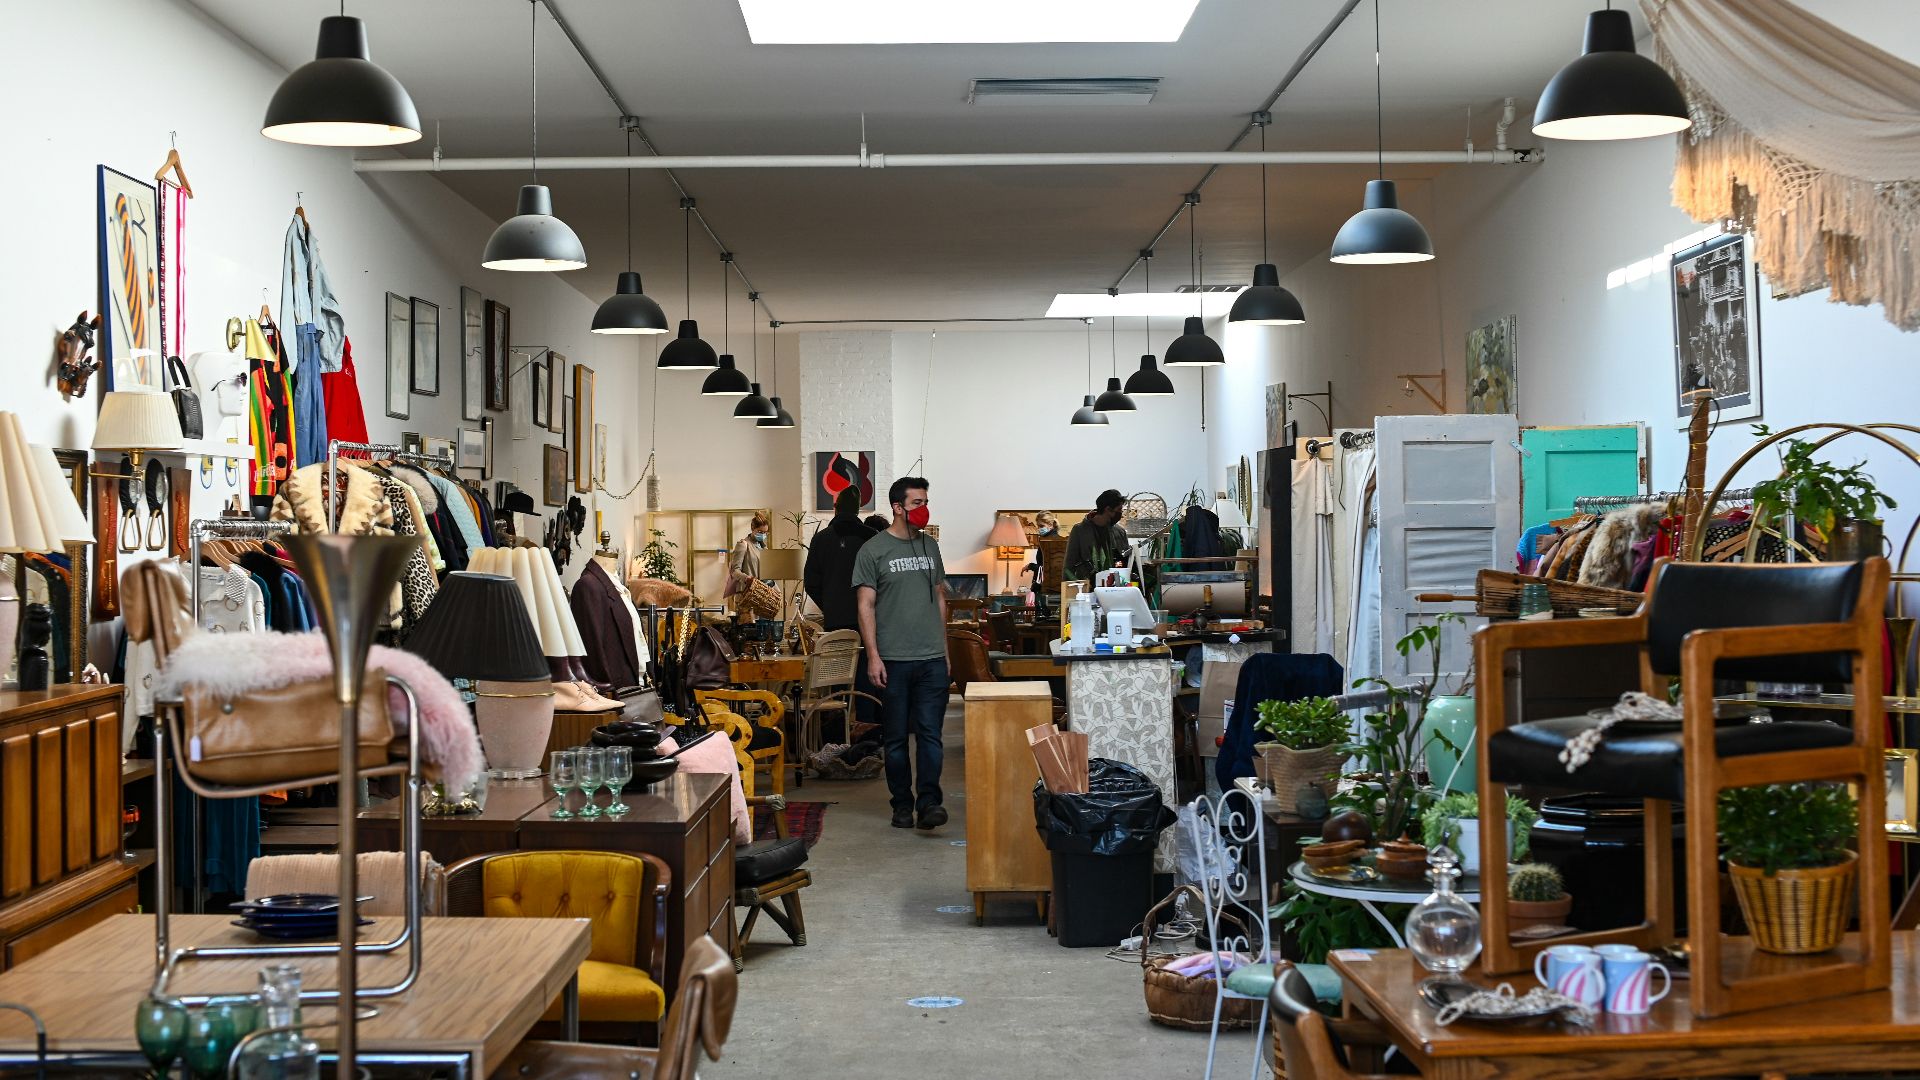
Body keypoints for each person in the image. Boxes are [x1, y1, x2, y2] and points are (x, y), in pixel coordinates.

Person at [853, 476, 951, 830]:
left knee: (930, 735)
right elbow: (865, 605)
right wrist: (873, 656)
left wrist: (945, 650)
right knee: (895, 739)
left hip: (931, 659)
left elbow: (939, 598)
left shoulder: (930, 547)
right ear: (897, 507)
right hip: (892, 660)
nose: (924, 510)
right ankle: (901, 804)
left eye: (926, 502)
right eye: (917, 503)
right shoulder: (873, 550)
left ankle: (929, 803)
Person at [805, 488, 881, 736]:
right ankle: (867, 731)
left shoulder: (821, 539)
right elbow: (884, 580)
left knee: (836, 676)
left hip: (836, 621)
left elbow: (811, 583)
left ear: (836, 507)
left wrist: (829, 604)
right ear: (858, 509)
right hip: (869, 620)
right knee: (868, 675)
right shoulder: (872, 537)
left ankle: (837, 734)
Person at [1065, 488, 1130, 582]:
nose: (1121, 514)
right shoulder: (1079, 530)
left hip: (1114, 587)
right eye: (1119, 509)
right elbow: (1069, 564)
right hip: (1087, 587)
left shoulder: (1120, 532)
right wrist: (1067, 587)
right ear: (1108, 509)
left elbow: (1126, 563)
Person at [725, 510, 771, 619]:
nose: (763, 535)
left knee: (763, 627)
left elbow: (768, 574)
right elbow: (734, 571)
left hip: (762, 596)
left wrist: (778, 593)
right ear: (752, 528)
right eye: (760, 531)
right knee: (748, 626)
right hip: (746, 595)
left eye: (765, 532)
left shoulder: (764, 548)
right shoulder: (743, 545)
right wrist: (747, 578)